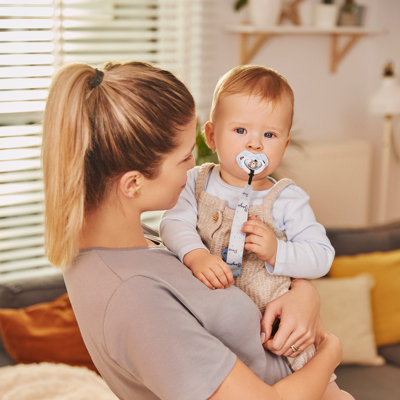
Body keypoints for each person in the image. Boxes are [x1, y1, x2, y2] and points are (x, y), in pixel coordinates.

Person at [42, 61, 350, 400]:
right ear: (133, 183)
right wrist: (331, 349)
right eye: (186, 157)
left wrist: (304, 293)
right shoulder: (135, 297)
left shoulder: (140, 240)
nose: (197, 167)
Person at [160, 65, 346, 396]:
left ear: (285, 144)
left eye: (270, 135)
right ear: (212, 135)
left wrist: (279, 252)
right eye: (241, 130)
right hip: (222, 337)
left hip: (281, 337)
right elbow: (173, 222)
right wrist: (197, 255)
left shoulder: (288, 199)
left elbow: (322, 256)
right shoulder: (195, 182)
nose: (255, 145)